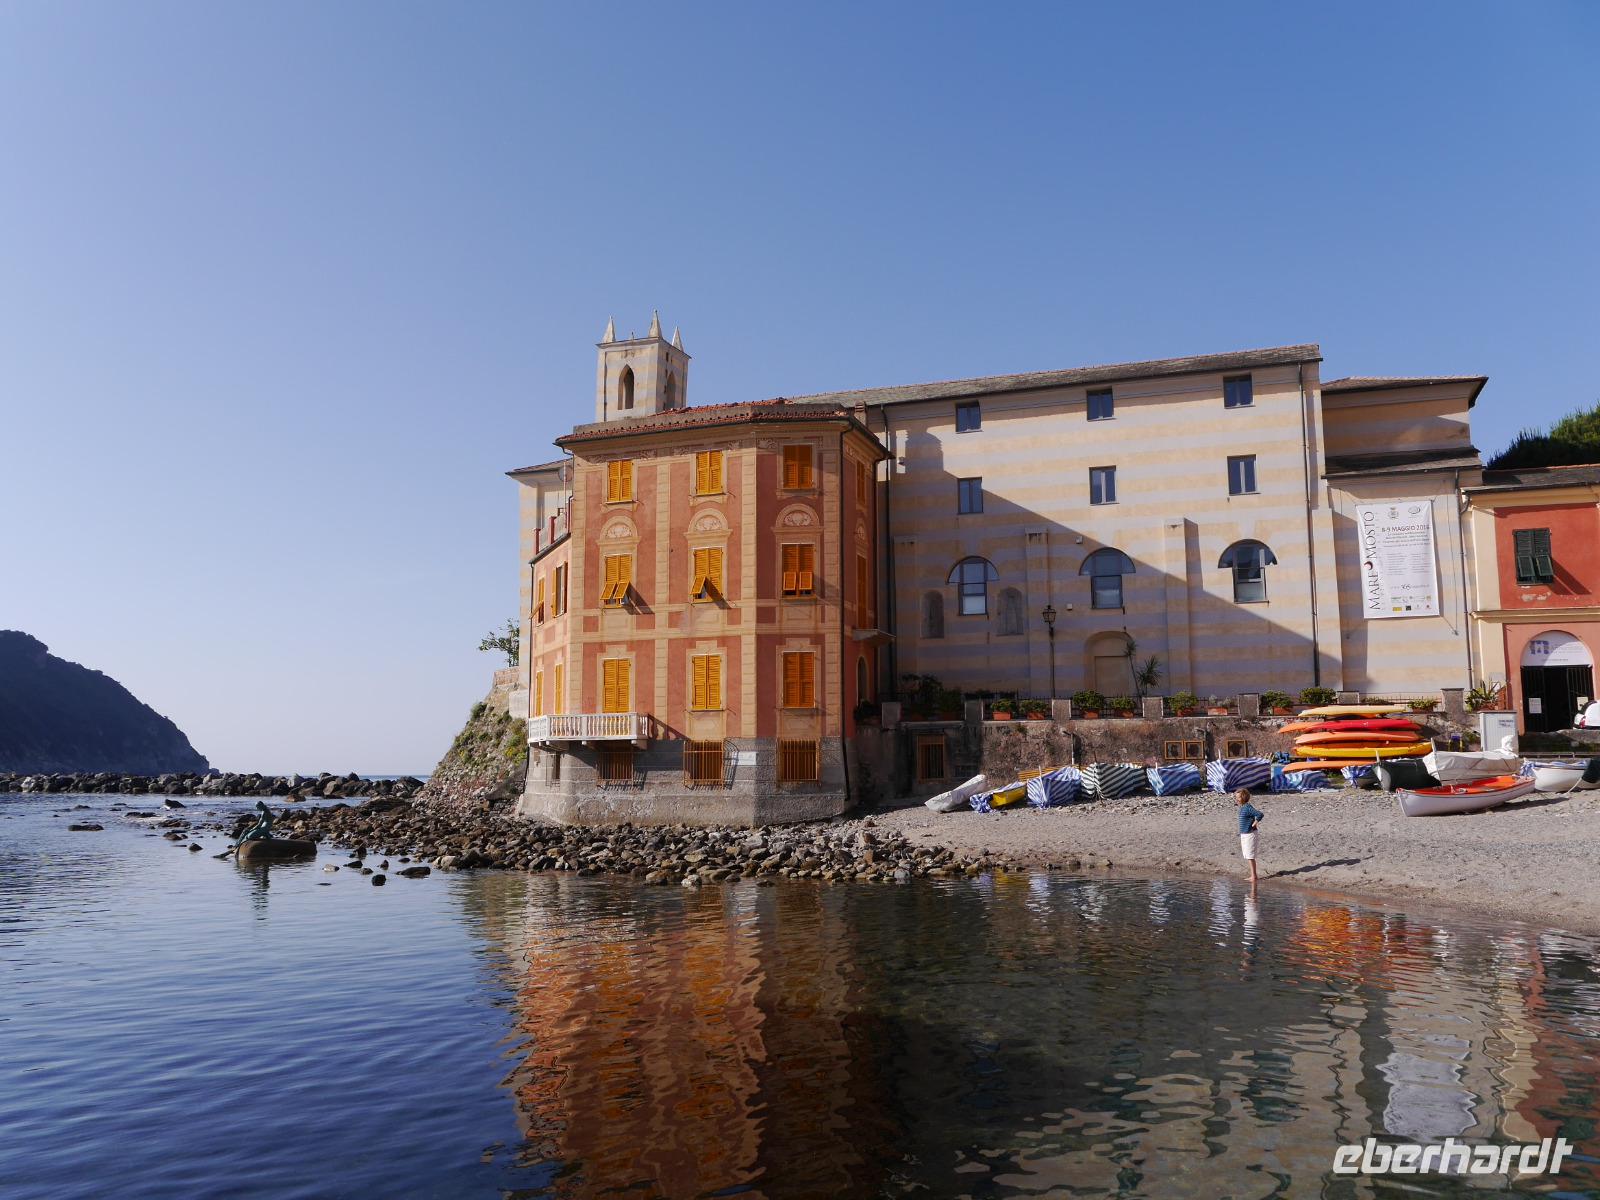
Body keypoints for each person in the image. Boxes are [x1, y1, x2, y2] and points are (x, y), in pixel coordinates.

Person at [1235, 787, 1264, 884]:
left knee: (1250, 856)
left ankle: (1254, 876)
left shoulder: (1247, 807)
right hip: (1244, 834)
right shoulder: (1242, 808)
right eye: (1236, 797)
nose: (1237, 799)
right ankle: (1253, 875)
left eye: (1239, 797)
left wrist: (1255, 822)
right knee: (1248, 855)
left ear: (1244, 797)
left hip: (1250, 834)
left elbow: (1259, 814)